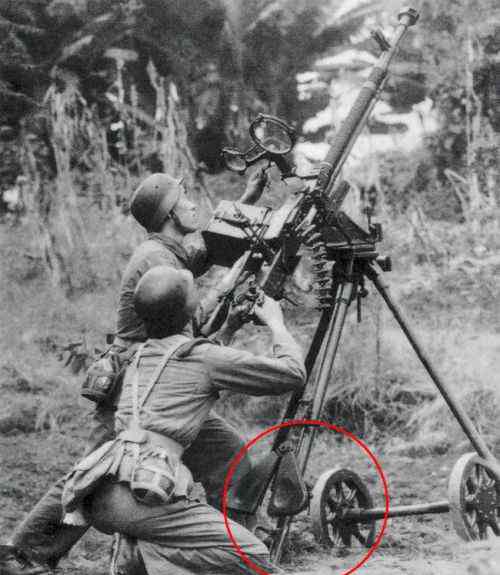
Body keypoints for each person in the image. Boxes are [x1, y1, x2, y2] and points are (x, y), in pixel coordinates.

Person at [0, 170, 268, 575]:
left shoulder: (166, 251)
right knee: (91, 472)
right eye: (185, 200)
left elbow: (208, 250)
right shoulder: (156, 259)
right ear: (170, 214)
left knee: (227, 456)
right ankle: (23, 553)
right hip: (137, 386)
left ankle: (224, 547)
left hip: (158, 382)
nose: (193, 204)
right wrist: (230, 294)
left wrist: (247, 198)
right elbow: (193, 315)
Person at [63, 265, 306, 575]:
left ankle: (142, 552)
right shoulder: (202, 358)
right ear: (190, 313)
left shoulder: (141, 355)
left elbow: (189, 364)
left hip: (101, 491)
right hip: (141, 497)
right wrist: (276, 322)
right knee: (251, 553)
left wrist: (229, 328)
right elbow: (293, 374)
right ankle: (143, 554)